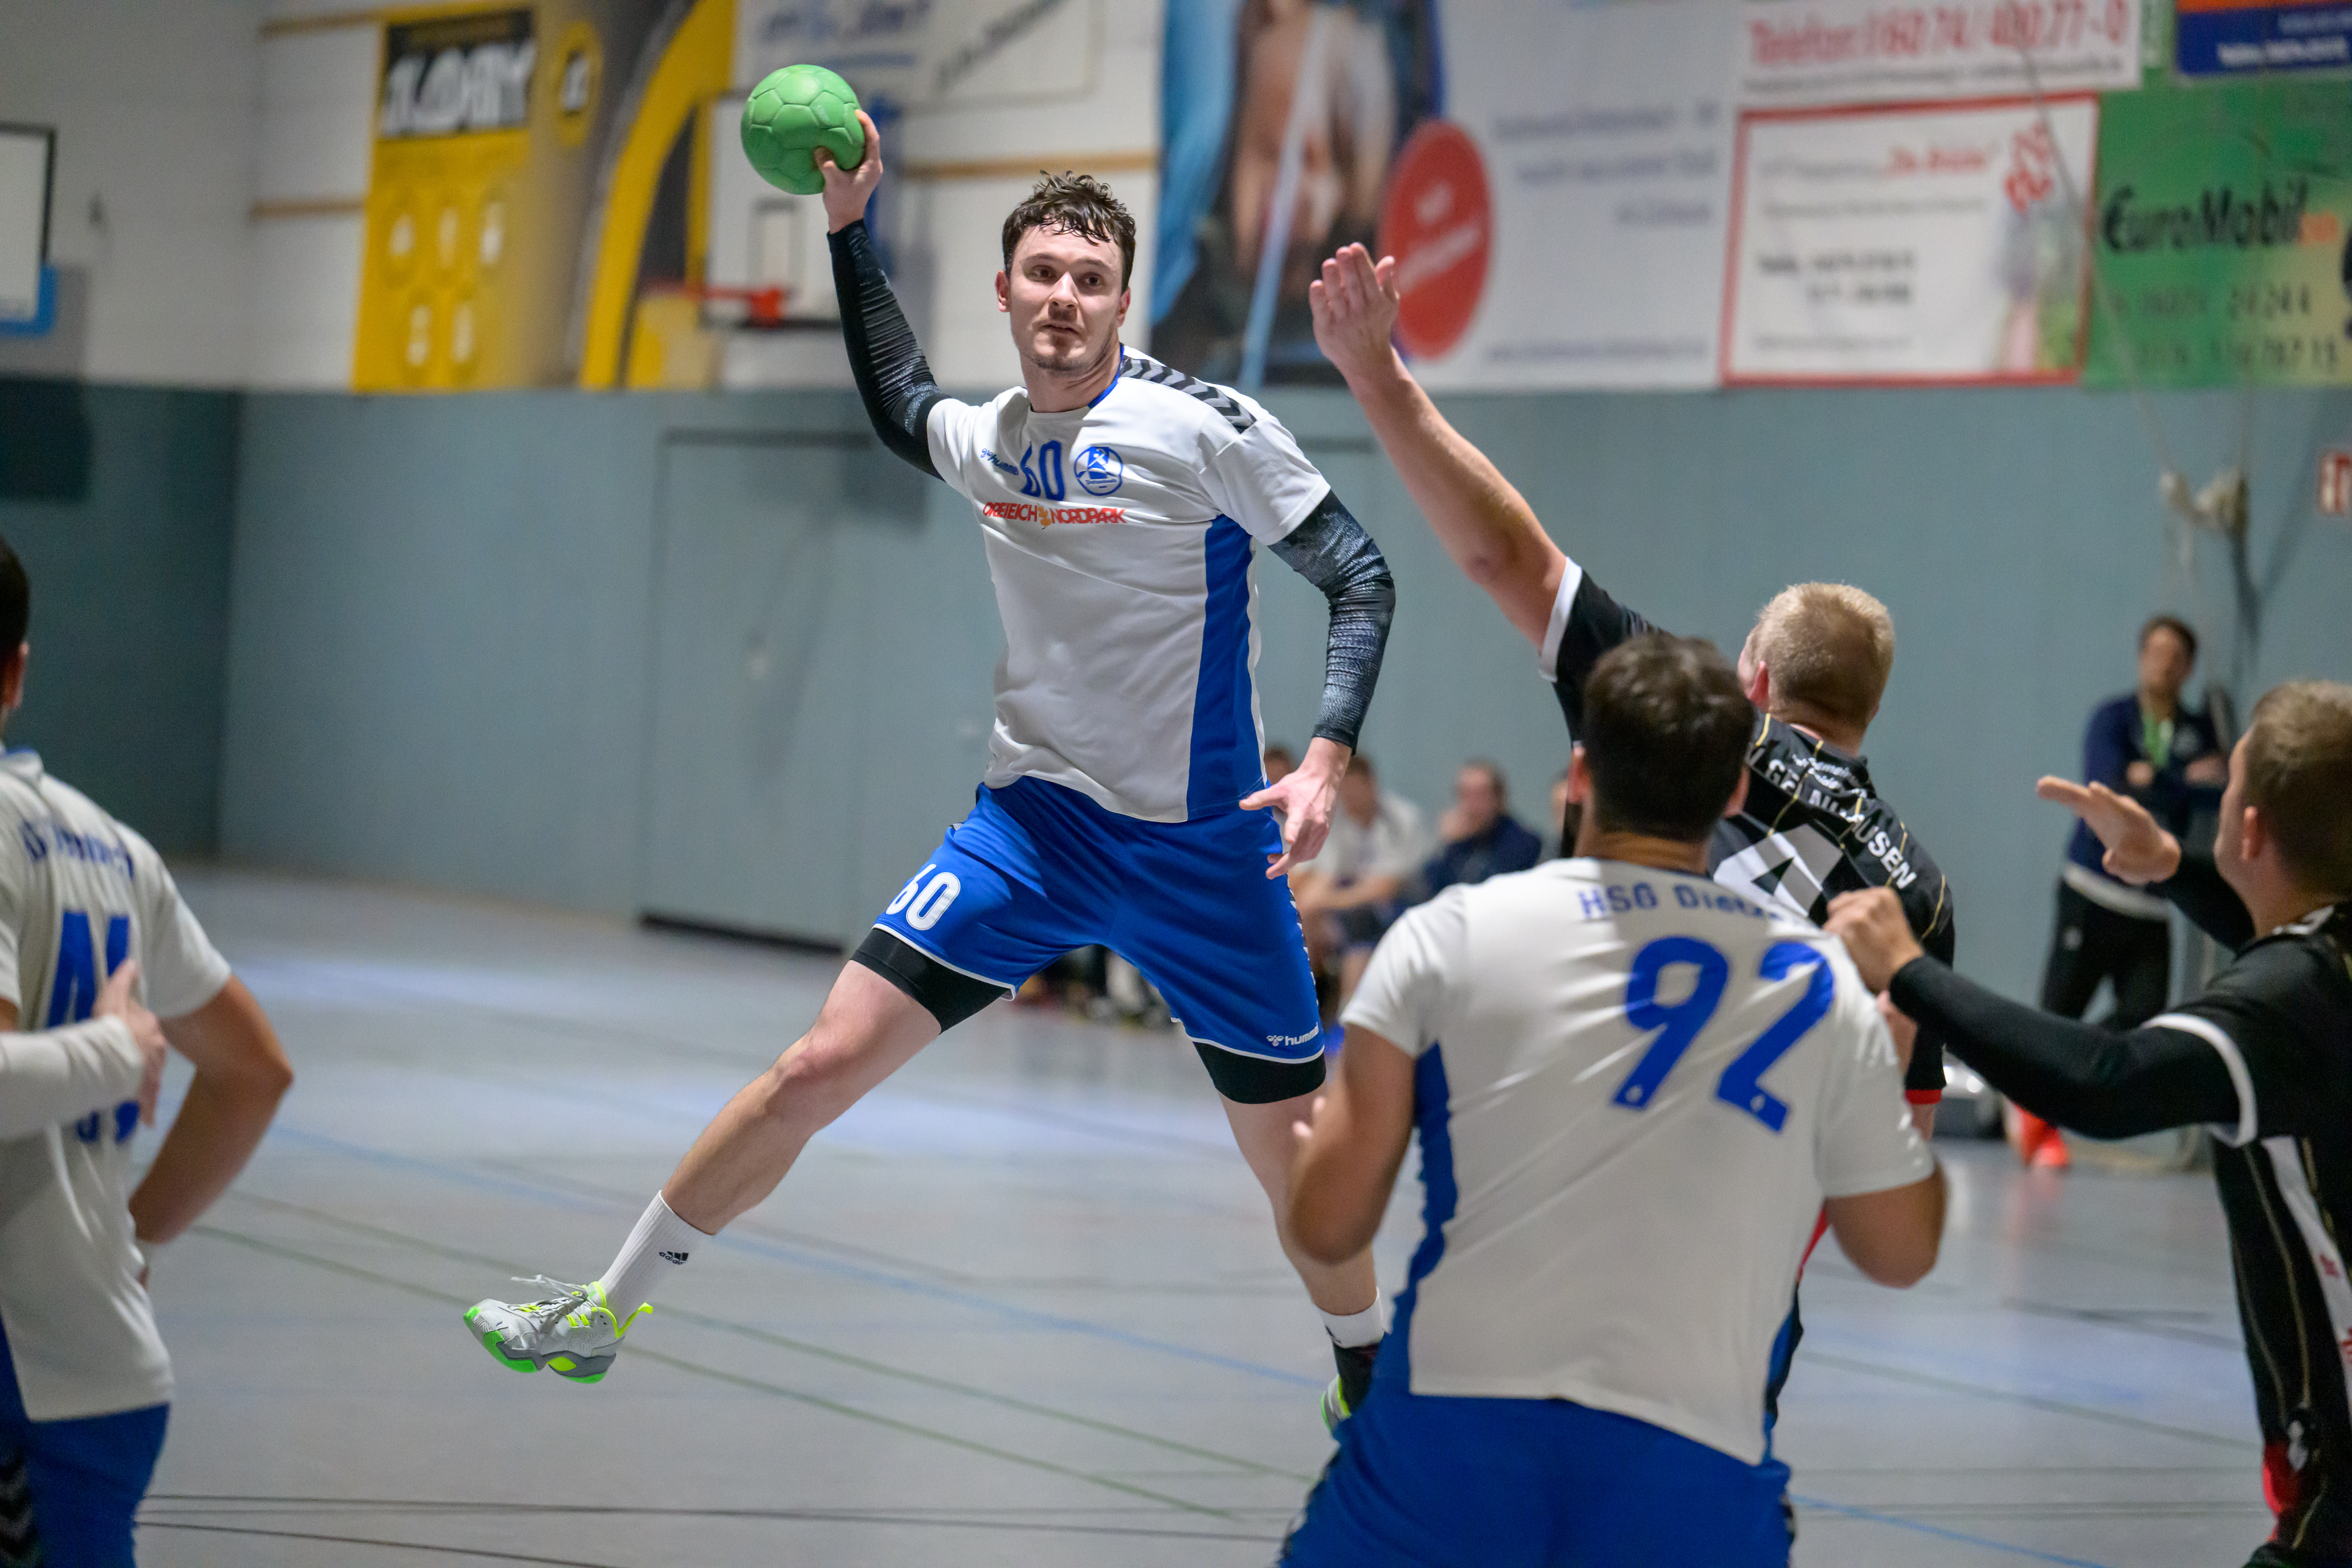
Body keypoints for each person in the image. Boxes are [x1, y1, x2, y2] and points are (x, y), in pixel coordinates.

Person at [465, 123, 1402, 1430]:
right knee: (815, 1066)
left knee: (1296, 1163)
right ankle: (601, 1312)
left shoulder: (1204, 431)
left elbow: (1359, 575)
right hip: (1033, 831)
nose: (1064, 298)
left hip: (1202, 850)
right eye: (1043, 274)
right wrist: (850, 230)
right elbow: (899, 395)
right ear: (1005, 292)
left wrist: (1324, 756)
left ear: (1122, 302)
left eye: (1090, 279)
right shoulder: (992, 435)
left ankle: (1366, 1376)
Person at [1309, 238, 1955, 1436]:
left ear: (1753, 675)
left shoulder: (1692, 724)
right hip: (1738, 1279)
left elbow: (1505, 554)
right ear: (1868, 708)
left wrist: (1378, 375)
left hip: (1563, 1194)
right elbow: (1891, 1145)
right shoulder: (1919, 889)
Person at [1280, 635, 1942, 1565]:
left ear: (1582, 774)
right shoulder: (1821, 984)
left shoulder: (1450, 935)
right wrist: (1890, 1066)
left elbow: (1326, 1225)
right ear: (1734, 794)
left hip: (1451, 1438)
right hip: (1693, 1467)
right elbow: (1899, 1252)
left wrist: (1320, 1153)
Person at [1827, 679, 2352, 1568]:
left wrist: (1909, 971)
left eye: (2229, 789)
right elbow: (2280, 934)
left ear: (2251, 831)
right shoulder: (2323, 959)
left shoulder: (2289, 1004)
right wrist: (2175, 865)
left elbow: (2105, 1082)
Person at [0, 535, 293, 1568]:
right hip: (100, 1365)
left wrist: (116, 1054)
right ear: (16, 671)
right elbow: (255, 1073)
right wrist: (126, 1239)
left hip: (19, 1374)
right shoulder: (114, 848)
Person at [2024, 612, 2227, 1169]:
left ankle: (2054, 1080)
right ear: (2141, 657)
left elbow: (2215, 795)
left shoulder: (2199, 731)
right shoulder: (2112, 719)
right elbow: (2109, 786)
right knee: (2058, 1011)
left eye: (2175, 656)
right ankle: (2036, 1122)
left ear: (2188, 668)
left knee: (2142, 1014)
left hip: (2151, 903)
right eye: (2155, 652)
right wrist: (2180, 781)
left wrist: (2156, 780)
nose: (2163, 664)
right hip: (2091, 888)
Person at [1291, 755, 1428, 1007]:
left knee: (1357, 939)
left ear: (1371, 785)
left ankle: (1345, 1015)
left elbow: (1384, 888)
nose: (1350, 799)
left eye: (1355, 791)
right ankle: (1302, 997)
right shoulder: (1338, 820)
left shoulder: (1401, 819)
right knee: (1302, 915)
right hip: (1355, 902)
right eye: (1345, 793)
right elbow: (1326, 875)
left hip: (1402, 905)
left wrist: (1326, 901)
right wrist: (1305, 907)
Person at [1419, 759, 1541, 897]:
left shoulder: (1523, 843)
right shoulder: (1455, 841)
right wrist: (1443, 846)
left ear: (1499, 799)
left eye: (1479, 795)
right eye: (1465, 795)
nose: (1471, 806)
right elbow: (1432, 892)